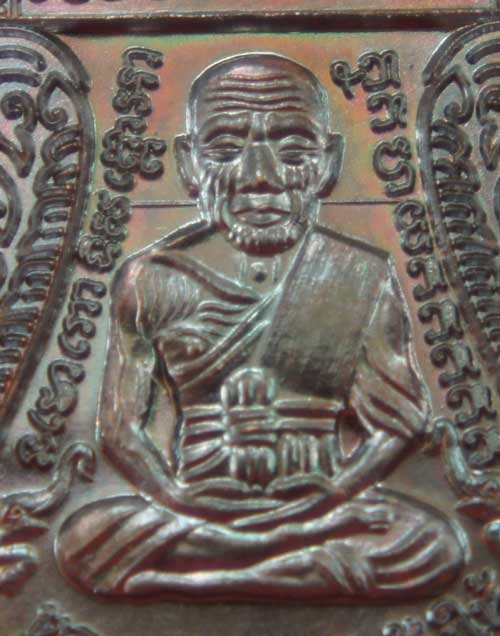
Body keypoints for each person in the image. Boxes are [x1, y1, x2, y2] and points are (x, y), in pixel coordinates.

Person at [55, 53, 466, 600]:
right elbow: (120, 429)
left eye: (292, 151)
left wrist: (331, 496)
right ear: (189, 164)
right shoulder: (152, 277)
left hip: (319, 499)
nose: (260, 177)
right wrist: (177, 497)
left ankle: (209, 580)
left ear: (328, 162)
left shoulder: (358, 272)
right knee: (82, 537)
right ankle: (288, 566)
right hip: (200, 504)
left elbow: (400, 422)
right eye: (226, 149)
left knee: (434, 543)